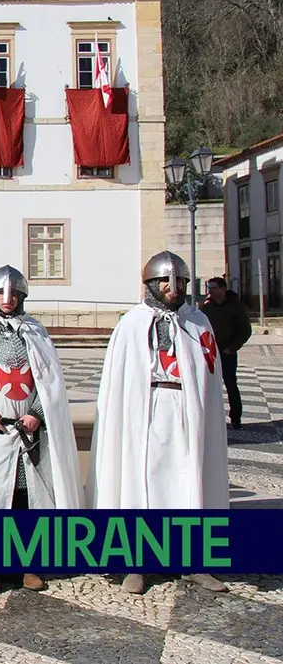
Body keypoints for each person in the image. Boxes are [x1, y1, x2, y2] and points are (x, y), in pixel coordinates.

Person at [88, 251, 228, 595]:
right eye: (165, 280)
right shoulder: (131, 324)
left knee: (189, 483)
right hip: (144, 412)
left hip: (187, 411)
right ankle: (136, 564)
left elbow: (209, 373)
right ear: (150, 283)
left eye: (179, 281)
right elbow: (120, 381)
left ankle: (194, 561)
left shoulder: (198, 322)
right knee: (140, 482)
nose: (173, 287)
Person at [0, 265, 83, 592]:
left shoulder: (34, 332)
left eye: (13, 293)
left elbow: (48, 381)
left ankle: (28, 565)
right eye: (0, 293)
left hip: (27, 433)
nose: (7, 299)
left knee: (26, 500)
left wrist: (37, 412)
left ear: (22, 296)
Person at [201, 277, 251, 429]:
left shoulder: (235, 307)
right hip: (210, 353)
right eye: (209, 288)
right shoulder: (207, 307)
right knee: (206, 385)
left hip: (227, 353)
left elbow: (245, 330)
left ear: (223, 289)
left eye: (214, 288)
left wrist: (232, 348)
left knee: (230, 385)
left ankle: (236, 418)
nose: (210, 291)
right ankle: (207, 418)